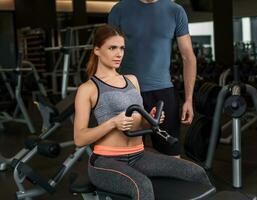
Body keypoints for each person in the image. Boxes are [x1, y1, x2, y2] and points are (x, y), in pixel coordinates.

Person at [74, 24, 211, 200]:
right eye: (112, 48)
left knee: (195, 172)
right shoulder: (88, 89)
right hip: (106, 161)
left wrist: (151, 119)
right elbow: (79, 139)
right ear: (97, 50)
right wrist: (113, 123)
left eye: (122, 48)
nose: (119, 54)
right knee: (142, 187)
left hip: (139, 156)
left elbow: (140, 122)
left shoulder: (132, 80)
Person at [108, 0, 197, 157]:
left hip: (163, 94)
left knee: (172, 158)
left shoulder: (175, 11)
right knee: (126, 157)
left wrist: (189, 99)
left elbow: (188, 57)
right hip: (126, 92)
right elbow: (108, 54)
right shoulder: (119, 10)